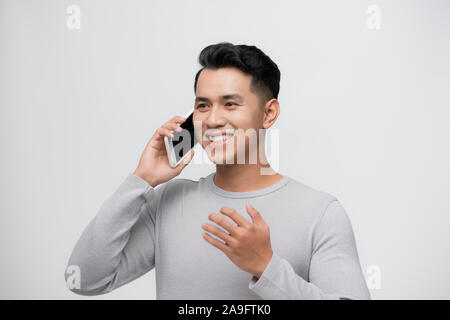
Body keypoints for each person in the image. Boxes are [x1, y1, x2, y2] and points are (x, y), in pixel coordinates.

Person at [64, 42, 371, 300]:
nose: (212, 120)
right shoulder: (169, 201)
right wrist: (142, 179)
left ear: (268, 113)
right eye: (202, 106)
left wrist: (266, 267)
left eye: (230, 104)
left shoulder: (320, 212)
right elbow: (84, 279)